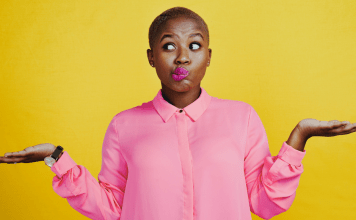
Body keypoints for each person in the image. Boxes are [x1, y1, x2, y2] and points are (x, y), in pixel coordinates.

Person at [1, 6, 355, 220]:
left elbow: (265, 204)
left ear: (208, 56)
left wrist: (299, 139)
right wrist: (56, 159)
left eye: (194, 45)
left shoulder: (241, 118)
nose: (183, 57)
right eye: (169, 45)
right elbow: (111, 209)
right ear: (151, 57)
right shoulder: (124, 125)